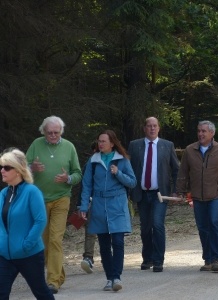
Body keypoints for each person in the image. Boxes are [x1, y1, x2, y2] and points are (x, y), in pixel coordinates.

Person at [26, 116, 82, 294]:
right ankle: (59, 274)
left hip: (61, 198)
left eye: (56, 132)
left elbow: (77, 173)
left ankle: (52, 282)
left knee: (55, 239)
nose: (52, 135)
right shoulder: (36, 144)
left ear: (61, 132)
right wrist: (31, 168)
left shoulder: (69, 147)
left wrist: (68, 179)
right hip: (39, 200)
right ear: (43, 132)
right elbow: (21, 169)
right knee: (45, 241)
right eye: (49, 132)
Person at [79, 130, 136, 292]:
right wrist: (83, 206)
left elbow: (132, 182)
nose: (100, 144)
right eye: (99, 141)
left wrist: (118, 173)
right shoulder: (93, 161)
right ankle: (109, 278)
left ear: (112, 143)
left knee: (117, 242)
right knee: (104, 245)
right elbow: (86, 185)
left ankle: (117, 276)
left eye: (104, 141)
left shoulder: (122, 160)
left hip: (117, 204)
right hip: (98, 205)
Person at [176, 120, 218, 272]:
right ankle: (207, 259)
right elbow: (183, 172)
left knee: (214, 223)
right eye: (199, 131)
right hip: (197, 196)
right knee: (203, 227)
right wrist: (181, 191)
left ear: (212, 133)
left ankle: (216, 258)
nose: (201, 134)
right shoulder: (190, 150)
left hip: (215, 195)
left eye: (204, 131)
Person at [0, 149, 54, 300]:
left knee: (41, 292)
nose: (2, 170)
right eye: (1, 167)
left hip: (29, 254)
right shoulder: (3, 194)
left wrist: (26, 245)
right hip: (5, 255)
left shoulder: (32, 191)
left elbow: (40, 220)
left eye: (7, 167)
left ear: (18, 171)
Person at [128, 117, 180, 272]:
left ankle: (158, 260)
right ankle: (147, 258)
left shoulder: (167, 145)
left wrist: (176, 189)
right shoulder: (135, 145)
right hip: (141, 193)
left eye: (154, 126)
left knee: (157, 224)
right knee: (145, 227)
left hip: (160, 194)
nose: (152, 128)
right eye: (149, 126)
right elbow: (128, 169)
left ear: (159, 128)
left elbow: (176, 169)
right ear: (144, 128)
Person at [77, 141, 98, 274]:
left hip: (109, 203)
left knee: (109, 232)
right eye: (95, 150)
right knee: (90, 232)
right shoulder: (89, 164)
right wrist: (80, 205)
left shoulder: (113, 161)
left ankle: (111, 257)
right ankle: (88, 258)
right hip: (91, 202)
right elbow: (84, 186)